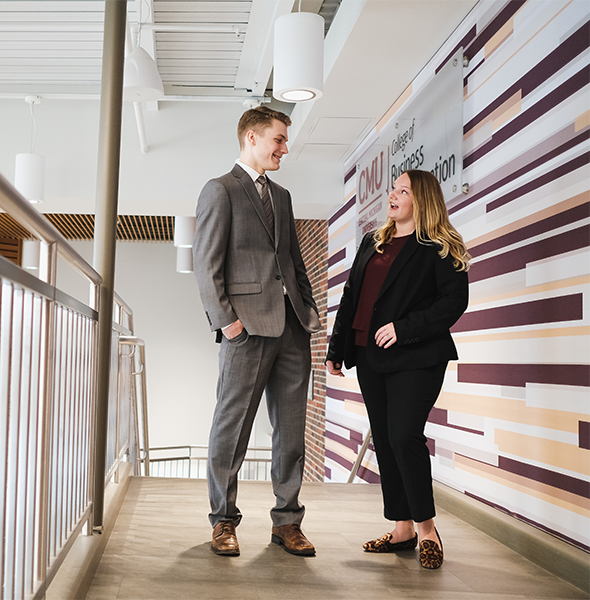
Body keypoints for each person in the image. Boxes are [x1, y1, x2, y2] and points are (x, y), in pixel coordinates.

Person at [325, 169, 470, 569]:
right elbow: (352, 296)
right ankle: (401, 527)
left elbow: (453, 302)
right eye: (393, 188)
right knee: (387, 441)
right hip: (370, 356)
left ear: (420, 200)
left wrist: (403, 329)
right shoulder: (374, 241)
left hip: (417, 357)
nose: (392, 195)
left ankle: (427, 529)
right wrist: (336, 349)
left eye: (402, 191)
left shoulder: (440, 246)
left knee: (405, 435)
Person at [193, 106, 321, 557]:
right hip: (245, 331)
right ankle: (223, 521)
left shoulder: (282, 196)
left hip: (291, 329)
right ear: (252, 137)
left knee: (291, 429)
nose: (285, 148)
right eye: (279, 140)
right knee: (232, 426)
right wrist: (227, 323)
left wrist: (309, 312)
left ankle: (287, 522)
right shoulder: (220, 190)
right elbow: (205, 265)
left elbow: (292, 260)